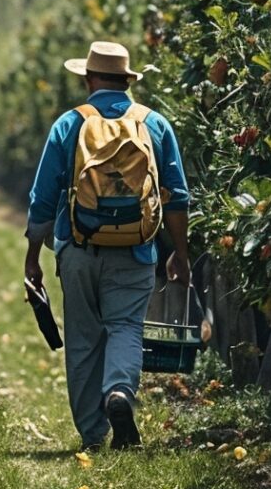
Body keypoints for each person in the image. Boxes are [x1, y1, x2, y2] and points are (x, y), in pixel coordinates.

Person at [23, 41, 192, 450]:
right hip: (136, 250)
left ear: (88, 78)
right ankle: (119, 392)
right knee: (125, 328)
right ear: (128, 80)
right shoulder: (154, 123)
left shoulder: (69, 124)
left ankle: (93, 434)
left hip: (79, 248)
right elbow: (178, 196)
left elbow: (43, 198)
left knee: (83, 338)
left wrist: (32, 257)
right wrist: (181, 255)